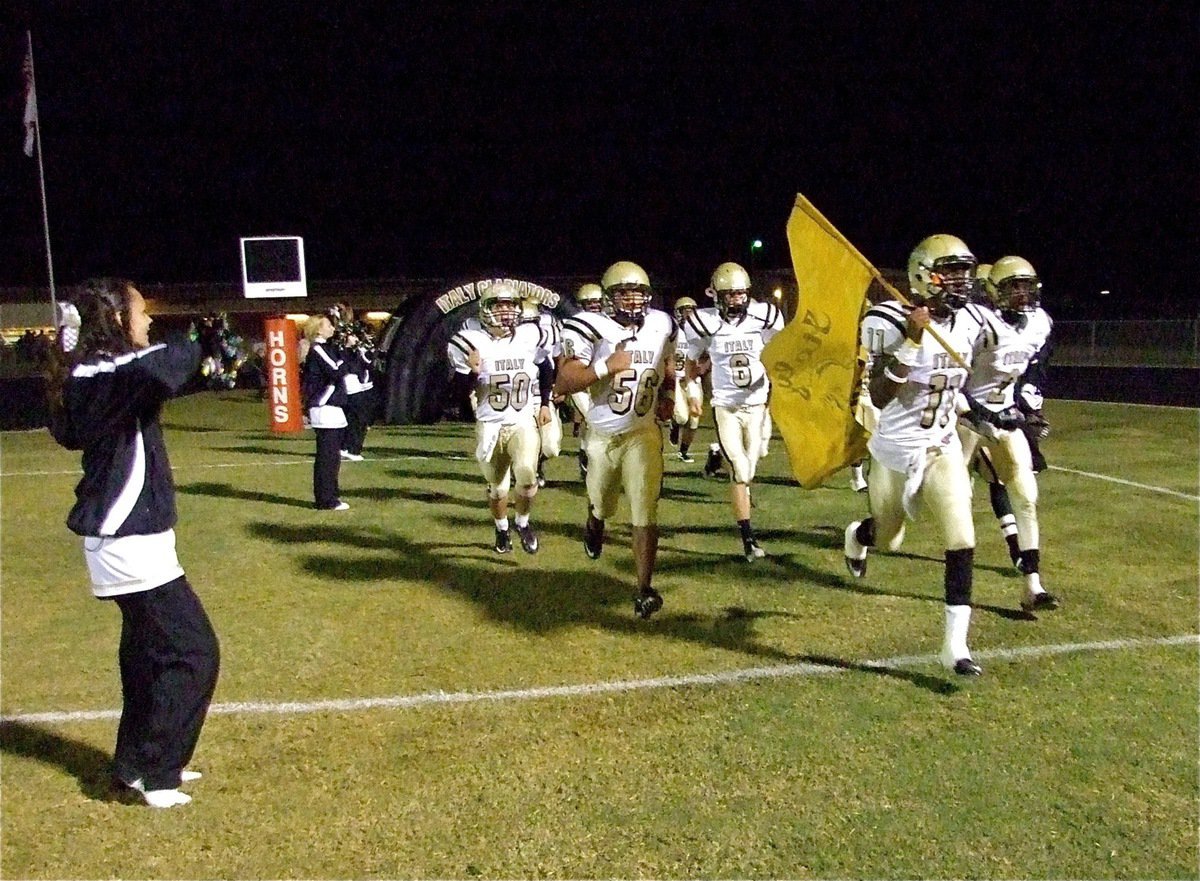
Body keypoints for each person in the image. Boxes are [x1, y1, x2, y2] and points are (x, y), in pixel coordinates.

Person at [45, 278, 220, 808]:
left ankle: (136, 763)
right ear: (116, 319)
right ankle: (159, 773)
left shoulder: (102, 373)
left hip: (135, 537)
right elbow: (169, 364)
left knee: (146, 658)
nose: (148, 320)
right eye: (141, 312)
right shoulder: (103, 373)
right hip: (126, 538)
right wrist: (198, 336)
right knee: (193, 653)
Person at [842, 235, 993, 676]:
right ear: (923, 276)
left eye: (965, 272)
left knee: (962, 537)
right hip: (893, 452)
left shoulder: (971, 321)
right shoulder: (889, 318)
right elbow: (879, 395)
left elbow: (956, 384)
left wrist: (983, 411)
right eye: (951, 272)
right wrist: (911, 340)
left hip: (940, 445)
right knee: (889, 539)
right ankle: (859, 535)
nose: (961, 281)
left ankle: (954, 646)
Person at [557, 261, 677, 619]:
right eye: (624, 293)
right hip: (602, 435)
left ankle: (644, 589)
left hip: (643, 432)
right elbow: (564, 381)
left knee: (645, 509)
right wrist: (604, 367)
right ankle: (595, 522)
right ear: (609, 297)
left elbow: (668, 364)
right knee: (604, 504)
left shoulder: (662, 324)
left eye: (638, 293)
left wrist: (668, 394)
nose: (632, 300)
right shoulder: (588, 325)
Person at [958, 255, 1059, 612]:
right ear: (993, 290)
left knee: (1026, 496)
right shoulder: (974, 322)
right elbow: (953, 380)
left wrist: (1028, 407)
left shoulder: (1039, 323)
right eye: (1013, 286)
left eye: (1026, 286)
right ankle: (869, 530)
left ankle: (1032, 584)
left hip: (1004, 417)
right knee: (946, 497)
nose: (1021, 293)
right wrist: (977, 412)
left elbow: (1030, 370)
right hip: (963, 418)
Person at [681, 262, 785, 561]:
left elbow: (779, 352)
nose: (736, 299)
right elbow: (691, 362)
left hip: (757, 405)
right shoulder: (703, 322)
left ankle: (716, 456)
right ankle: (748, 539)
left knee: (752, 464)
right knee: (740, 470)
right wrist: (692, 391)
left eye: (740, 294)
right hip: (726, 406)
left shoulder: (765, 316)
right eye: (730, 294)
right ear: (716, 295)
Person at [447, 281, 554, 554]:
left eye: (510, 306)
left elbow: (546, 367)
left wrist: (545, 402)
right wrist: (470, 372)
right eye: (499, 306)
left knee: (527, 474)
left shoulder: (530, 336)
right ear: (485, 310)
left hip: (521, 420)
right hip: (490, 424)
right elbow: (455, 396)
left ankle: (523, 522)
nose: (506, 312)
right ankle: (502, 528)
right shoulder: (471, 341)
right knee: (498, 488)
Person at [303, 310, 351, 510]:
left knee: (333, 456)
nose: (332, 328)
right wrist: (346, 350)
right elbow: (336, 371)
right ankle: (326, 499)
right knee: (327, 456)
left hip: (332, 406)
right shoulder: (317, 349)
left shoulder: (327, 348)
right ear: (318, 330)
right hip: (324, 406)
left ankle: (331, 496)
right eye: (328, 325)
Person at [520, 296, 563, 487]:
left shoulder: (547, 334)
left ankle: (536, 462)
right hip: (518, 400)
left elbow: (554, 361)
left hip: (541, 395)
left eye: (533, 323)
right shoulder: (503, 342)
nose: (528, 329)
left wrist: (557, 387)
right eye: (524, 323)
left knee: (551, 447)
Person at [332, 304, 377, 462]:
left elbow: (367, 359)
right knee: (359, 418)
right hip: (350, 381)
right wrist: (350, 346)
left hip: (358, 381)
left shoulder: (350, 332)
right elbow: (344, 357)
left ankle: (345, 447)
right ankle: (353, 449)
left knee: (354, 417)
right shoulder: (339, 336)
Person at [569, 282, 605, 479]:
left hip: (603, 382)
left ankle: (585, 452)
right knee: (592, 421)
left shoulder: (612, 324)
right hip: (581, 383)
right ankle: (587, 459)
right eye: (590, 303)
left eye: (597, 302)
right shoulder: (574, 326)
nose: (594, 306)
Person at [669, 297, 704, 463]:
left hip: (692, 379)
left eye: (691, 311)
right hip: (676, 378)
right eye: (685, 311)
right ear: (678, 313)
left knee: (694, 419)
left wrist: (704, 366)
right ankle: (674, 424)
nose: (689, 315)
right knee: (682, 417)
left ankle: (683, 452)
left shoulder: (700, 332)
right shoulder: (673, 332)